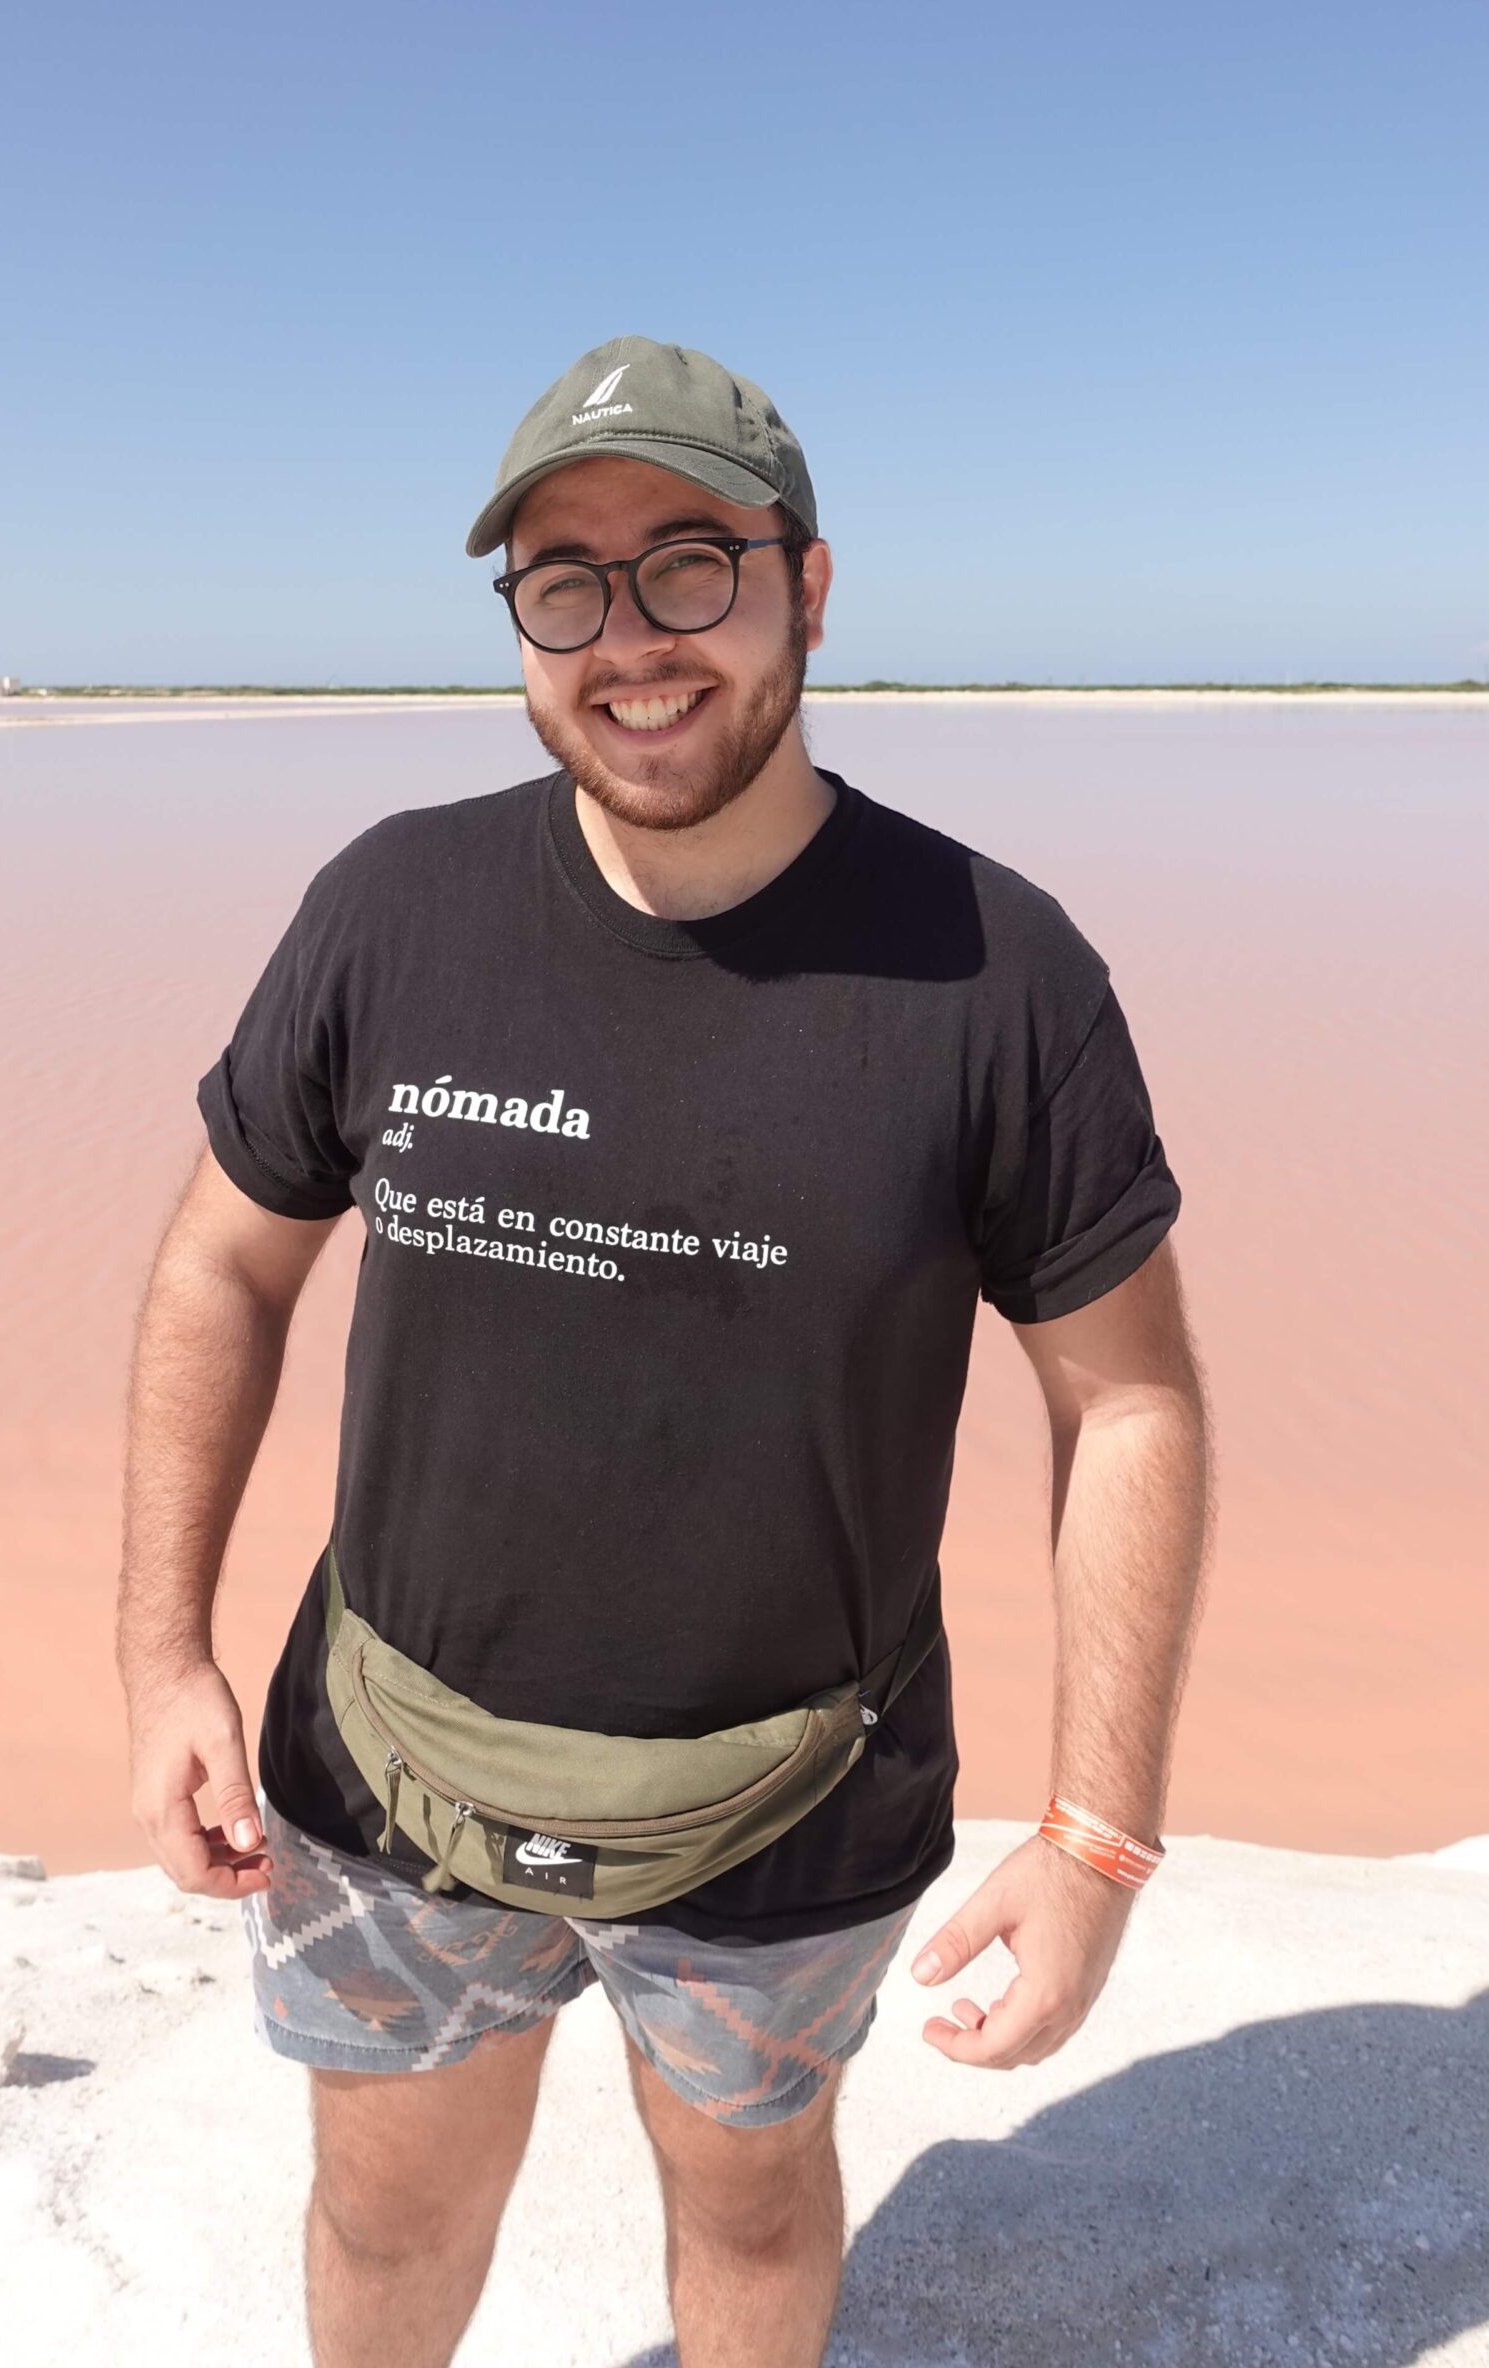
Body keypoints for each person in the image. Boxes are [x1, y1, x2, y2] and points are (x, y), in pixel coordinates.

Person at [117, 335, 1214, 2368]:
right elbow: (219, 1270)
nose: (628, 641)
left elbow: (1128, 1399)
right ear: (517, 624)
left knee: (750, 2194)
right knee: (379, 2195)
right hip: (381, 1766)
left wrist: (1098, 1836)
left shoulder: (1001, 969)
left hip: (797, 1795)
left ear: (806, 581)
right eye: (564, 582)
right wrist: (161, 1644)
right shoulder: (391, 902)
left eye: (688, 564)